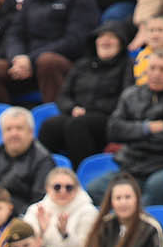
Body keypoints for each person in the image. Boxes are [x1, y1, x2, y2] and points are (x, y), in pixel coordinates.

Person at [96, 50, 163, 208]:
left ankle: (139, 228)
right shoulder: (131, 94)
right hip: (131, 167)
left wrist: (131, 135)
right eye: (152, 68)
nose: (156, 74)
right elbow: (113, 130)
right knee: (93, 189)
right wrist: (146, 128)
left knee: (157, 187)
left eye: (162, 69)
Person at [35, 22, 133, 165]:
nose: (105, 41)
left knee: (77, 125)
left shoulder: (127, 65)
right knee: (50, 125)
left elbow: (125, 98)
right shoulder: (82, 65)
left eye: (111, 37)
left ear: (121, 42)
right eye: (101, 36)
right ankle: (45, 170)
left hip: (109, 118)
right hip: (76, 114)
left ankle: (80, 172)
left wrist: (90, 110)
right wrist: (72, 108)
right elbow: (63, 95)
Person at [0, 106, 58, 212]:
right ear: (2, 134)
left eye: (19, 128)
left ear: (31, 132)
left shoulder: (43, 160)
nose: (14, 134)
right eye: (8, 129)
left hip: (23, 221)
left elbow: (39, 203)